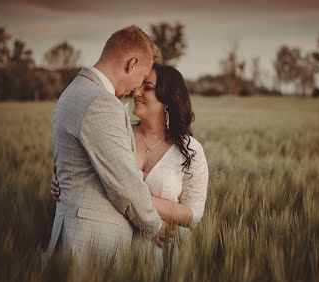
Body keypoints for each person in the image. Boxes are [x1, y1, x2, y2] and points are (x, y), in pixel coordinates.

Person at [51, 62, 209, 267]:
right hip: (112, 248)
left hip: (161, 253)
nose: (137, 91)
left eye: (148, 87)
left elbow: (193, 215)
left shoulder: (191, 151)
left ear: (169, 99)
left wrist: (134, 196)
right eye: (139, 85)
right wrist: (65, 180)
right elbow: (90, 172)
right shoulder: (118, 135)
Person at [42, 26, 167, 269]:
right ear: (131, 64)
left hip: (76, 233)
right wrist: (155, 226)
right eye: (141, 78)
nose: (137, 89)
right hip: (92, 242)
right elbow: (123, 182)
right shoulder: (100, 101)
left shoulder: (73, 91)